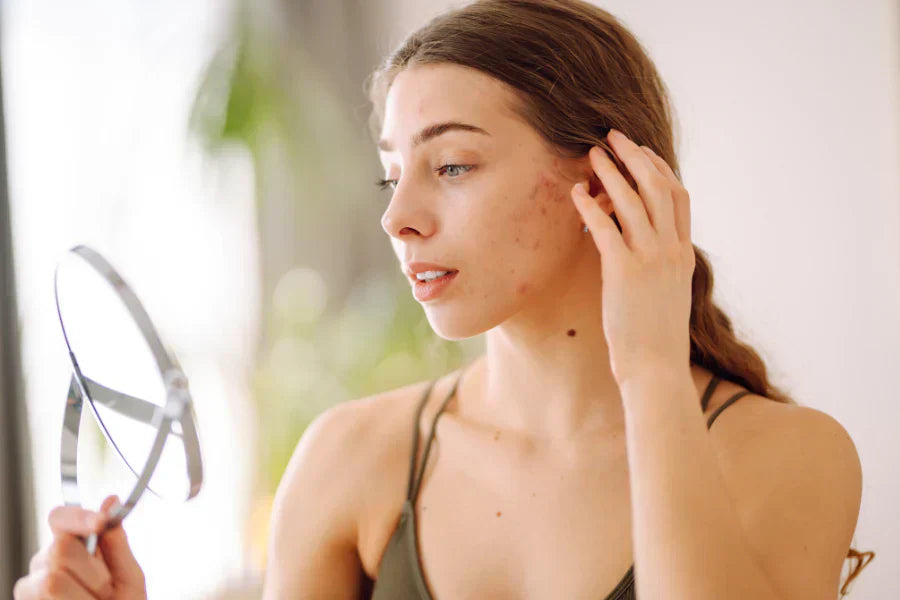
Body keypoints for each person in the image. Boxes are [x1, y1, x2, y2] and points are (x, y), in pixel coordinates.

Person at [15, 0, 872, 598]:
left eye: (452, 166)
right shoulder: (353, 457)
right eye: (392, 174)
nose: (398, 217)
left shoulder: (788, 458)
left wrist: (648, 367)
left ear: (609, 182)